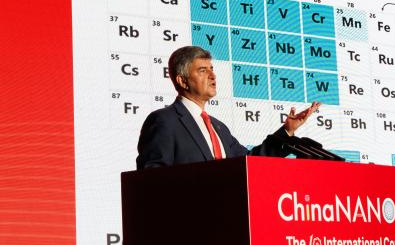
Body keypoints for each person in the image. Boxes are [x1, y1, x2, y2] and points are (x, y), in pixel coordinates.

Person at [136, 45, 320, 169]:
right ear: (182, 81)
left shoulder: (219, 128)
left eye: (212, 69)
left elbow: (248, 162)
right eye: (202, 70)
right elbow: (152, 177)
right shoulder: (164, 121)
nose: (212, 75)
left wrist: (287, 131)